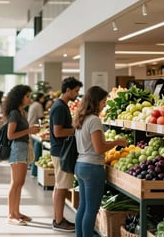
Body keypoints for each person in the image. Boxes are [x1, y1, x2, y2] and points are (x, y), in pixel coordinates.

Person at [73, 86, 127, 237]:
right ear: (95, 102)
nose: (104, 105)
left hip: (80, 164)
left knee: (83, 207)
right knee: (91, 210)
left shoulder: (80, 118)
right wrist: (117, 142)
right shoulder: (94, 120)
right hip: (92, 168)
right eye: (103, 101)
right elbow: (99, 148)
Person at [49, 76, 83, 232]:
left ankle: (58, 218)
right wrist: (77, 130)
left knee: (59, 186)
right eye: (75, 91)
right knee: (62, 187)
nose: (77, 94)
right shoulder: (59, 107)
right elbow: (58, 132)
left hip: (60, 151)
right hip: (61, 152)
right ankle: (59, 220)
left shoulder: (61, 105)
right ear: (67, 90)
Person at [4, 84, 40, 226]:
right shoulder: (14, 113)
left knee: (20, 183)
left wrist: (29, 131)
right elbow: (10, 135)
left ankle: (16, 212)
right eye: (27, 96)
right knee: (15, 183)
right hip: (18, 148)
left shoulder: (21, 112)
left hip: (23, 148)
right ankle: (11, 214)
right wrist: (29, 131)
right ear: (20, 97)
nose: (29, 98)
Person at [27, 92, 46, 177]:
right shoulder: (38, 105)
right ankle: (34, 170)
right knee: (36, 148)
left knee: (33, 149)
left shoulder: (33, 104)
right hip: (34, 128)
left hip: (30, 127)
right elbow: (41, 117)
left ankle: (32, 167)